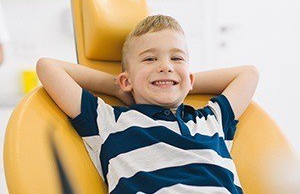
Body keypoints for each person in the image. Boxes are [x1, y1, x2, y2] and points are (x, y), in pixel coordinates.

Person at [36, 15, 259, 194]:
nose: (165, 66)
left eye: (177, 58)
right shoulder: (110, 122)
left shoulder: (212, 119)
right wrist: (117, 87)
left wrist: (182, 81)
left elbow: (249, 74)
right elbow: (48, 67)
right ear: (125, 80)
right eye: (150, 59)